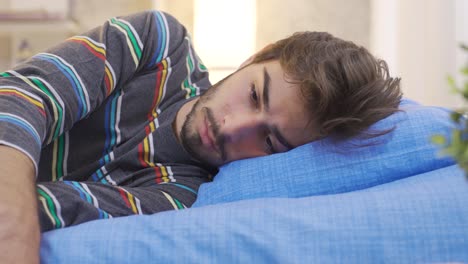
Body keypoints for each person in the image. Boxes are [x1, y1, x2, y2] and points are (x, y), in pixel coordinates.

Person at [0, 10, 401, 263]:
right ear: (254, 58)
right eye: (254, 94)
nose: (231, 127)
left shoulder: (185, 199)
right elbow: (24, 97)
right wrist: (15, 235)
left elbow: (57, 206)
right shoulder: (159, 45)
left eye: (270, 141)